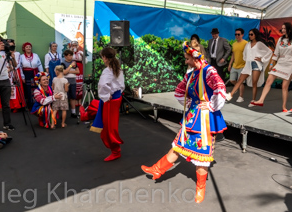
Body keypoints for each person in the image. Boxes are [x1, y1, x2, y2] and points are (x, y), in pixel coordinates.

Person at [141, 42, 227, 203]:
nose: (185, 61)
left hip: (204, 121)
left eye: (187, 58)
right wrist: (188, 104)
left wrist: (210, 105)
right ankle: (157, 170)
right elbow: (180, 90)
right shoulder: (191, 74)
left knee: (202, 157)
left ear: (195, 57)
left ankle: (200, 190)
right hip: (191, 118)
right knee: (178, 146)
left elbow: (220, 88)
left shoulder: (209, 71)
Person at [252, 23, 292, 112]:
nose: (282, 30)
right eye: (282, 28)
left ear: (289, 29)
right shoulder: (280, 39)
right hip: (280, 63)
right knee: (268, 81)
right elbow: (276, 53)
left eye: (284, 28)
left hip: (290, 63)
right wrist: (272, 64)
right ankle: (261, 100)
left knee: (284, 86)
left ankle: (284, 107)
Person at [90, 47, 125, 162]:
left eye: (102, 57)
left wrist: (106, 95)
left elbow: (102, 85)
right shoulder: (117, 68)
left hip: (111, 100)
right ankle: (86, 114)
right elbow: (121, 85)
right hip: (116, 98)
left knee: (109, 127)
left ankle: (115, 152)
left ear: (105, 58)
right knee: (108, 122)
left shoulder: (108, 70)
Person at [226, 29, 272, 105]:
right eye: (249, 34)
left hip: (256, 64)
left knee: (254, 83)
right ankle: (230, 95)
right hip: (248, 64)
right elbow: (245, 54)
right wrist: (246, 59)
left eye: (252, 34)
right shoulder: (247, 44)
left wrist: (262, 59)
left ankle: (253, 100)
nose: (250, 36)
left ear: (255, 35)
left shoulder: (259, 43)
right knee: (240, 79)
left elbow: (269, 51)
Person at [20, 42, 44, 109]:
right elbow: (20, 67)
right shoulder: (21, 56)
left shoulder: (35, 55)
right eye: (27, 47)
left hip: (35, 73)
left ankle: (36, 103)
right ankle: (29, 105)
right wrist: (22, 76)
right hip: (26, 73)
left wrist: (41, 74)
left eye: (29, 47)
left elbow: (39, 65)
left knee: (36, 88)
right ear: (24, 48)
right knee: (28, 89)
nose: (28, 48)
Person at [227, 28, 248, 102]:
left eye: (238, 34)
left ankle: (241, 97)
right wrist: (230, 64)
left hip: (243, 66)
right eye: (235, 34)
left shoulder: (246, 43)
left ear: (242, 35)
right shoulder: (234, 44)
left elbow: (248, 54)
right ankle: (236, 87)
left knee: (240, 81)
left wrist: (247, 65)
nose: (237, 36)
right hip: (235, 65)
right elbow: (233, 55)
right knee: (232, 80)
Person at [6, 39, 25, 111]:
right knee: (9, 89)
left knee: (16, 89)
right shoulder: (5, 53)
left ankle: (17, 105)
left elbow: (17, 64)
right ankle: (10, 105)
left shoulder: (17, 54)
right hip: (7, 72)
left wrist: (11, 68)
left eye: (12, 46)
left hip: (15, 72)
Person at [61, 50, 79, 117]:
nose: (71, 57)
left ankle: (73, 112)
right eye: (69, 55)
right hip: (66, 83)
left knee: (73, 97)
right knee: (65, 98)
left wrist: (69, 71)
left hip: (73, 82)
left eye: (71, 55)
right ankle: (63, 113)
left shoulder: (74, 62)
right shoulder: (63, 63)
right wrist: (71, 66)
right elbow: (64, 72)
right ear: (65, 56)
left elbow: (78, 71)